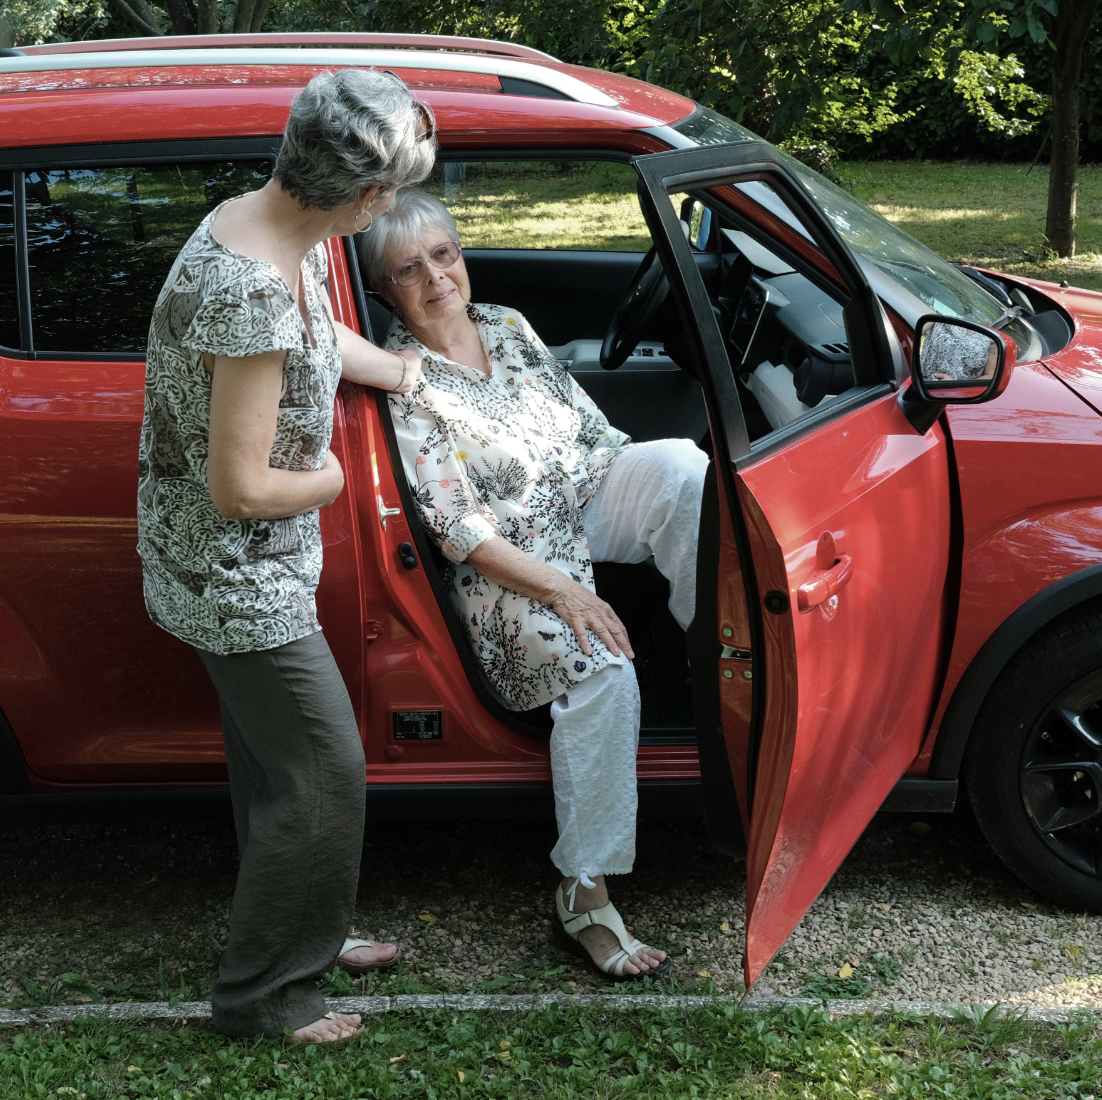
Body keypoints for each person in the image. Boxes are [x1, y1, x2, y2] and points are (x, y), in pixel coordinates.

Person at [136, 70, 434, 1042]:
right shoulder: (248, 290)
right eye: (390, 192)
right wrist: (333, 481)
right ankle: (264, 994)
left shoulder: (265, 221)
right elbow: (243, 486)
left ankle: (312, 921)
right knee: (322, 771)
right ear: (362, 197)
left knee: (274, 765)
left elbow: (317, 329)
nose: (389, 207)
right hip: (235, 574)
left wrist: (394, 369)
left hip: (228, 561)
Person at [361, 189, 708, 981]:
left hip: (575, 498)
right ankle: (584, 893)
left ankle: (718, 652)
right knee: (605, 672)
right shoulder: (407, 380)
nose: (436, 277)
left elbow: (594, 438)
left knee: (684, 467)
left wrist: (629, 489)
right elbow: (458, 529)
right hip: (507, 568)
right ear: (386, 289)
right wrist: (566, 590)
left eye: (443, 255)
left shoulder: (508, 326)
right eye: (408, 269)